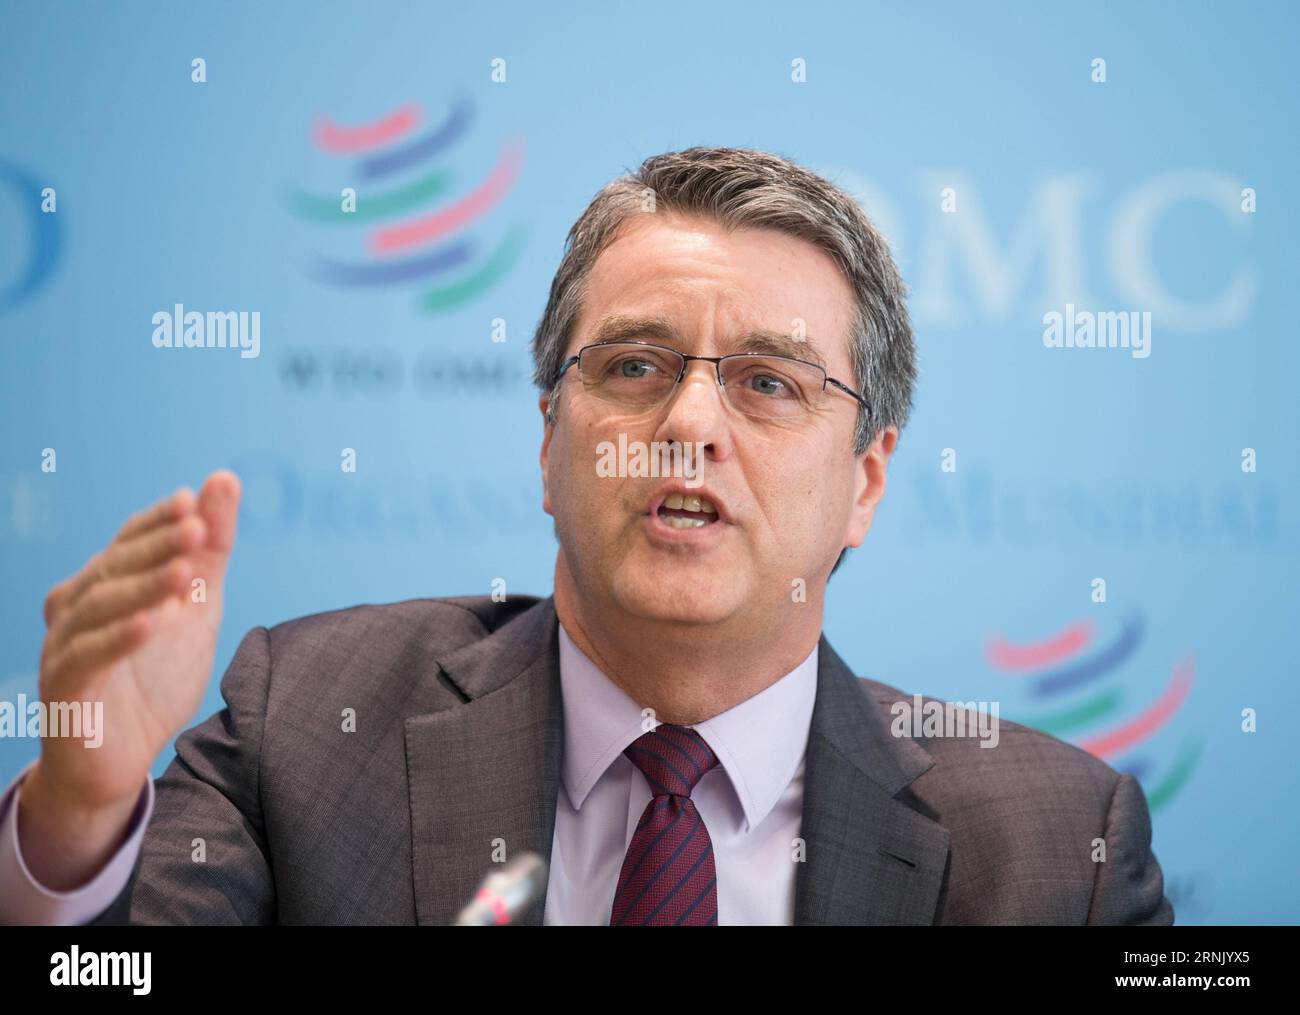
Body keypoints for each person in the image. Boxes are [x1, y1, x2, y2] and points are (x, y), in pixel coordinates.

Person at [0, 146, 1172, 925]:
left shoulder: (1053, 845)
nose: (688, 424)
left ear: (865, 481)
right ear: (550, 441)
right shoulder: (304, 722)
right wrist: (80, 814)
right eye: (634, 367)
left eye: (768, 382)